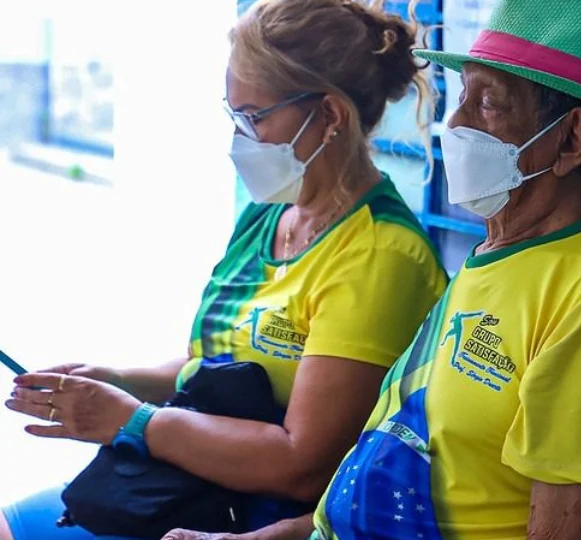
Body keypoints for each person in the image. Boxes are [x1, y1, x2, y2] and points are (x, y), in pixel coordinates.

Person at [163, 0, 581, 538]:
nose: (455, 123)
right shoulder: (494, 260)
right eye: (462, 96)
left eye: (488, 103)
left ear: (573, 139)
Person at [1, 0, 447, 538]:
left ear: (329, 116)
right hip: (193, 488)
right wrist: (121, 383)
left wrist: (131, 420)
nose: (241, 137)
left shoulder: (380, 256)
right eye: (233, 114)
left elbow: (301, 467)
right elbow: (207, 366)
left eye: (255, 117)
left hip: (259, 519)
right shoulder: (270, 215)